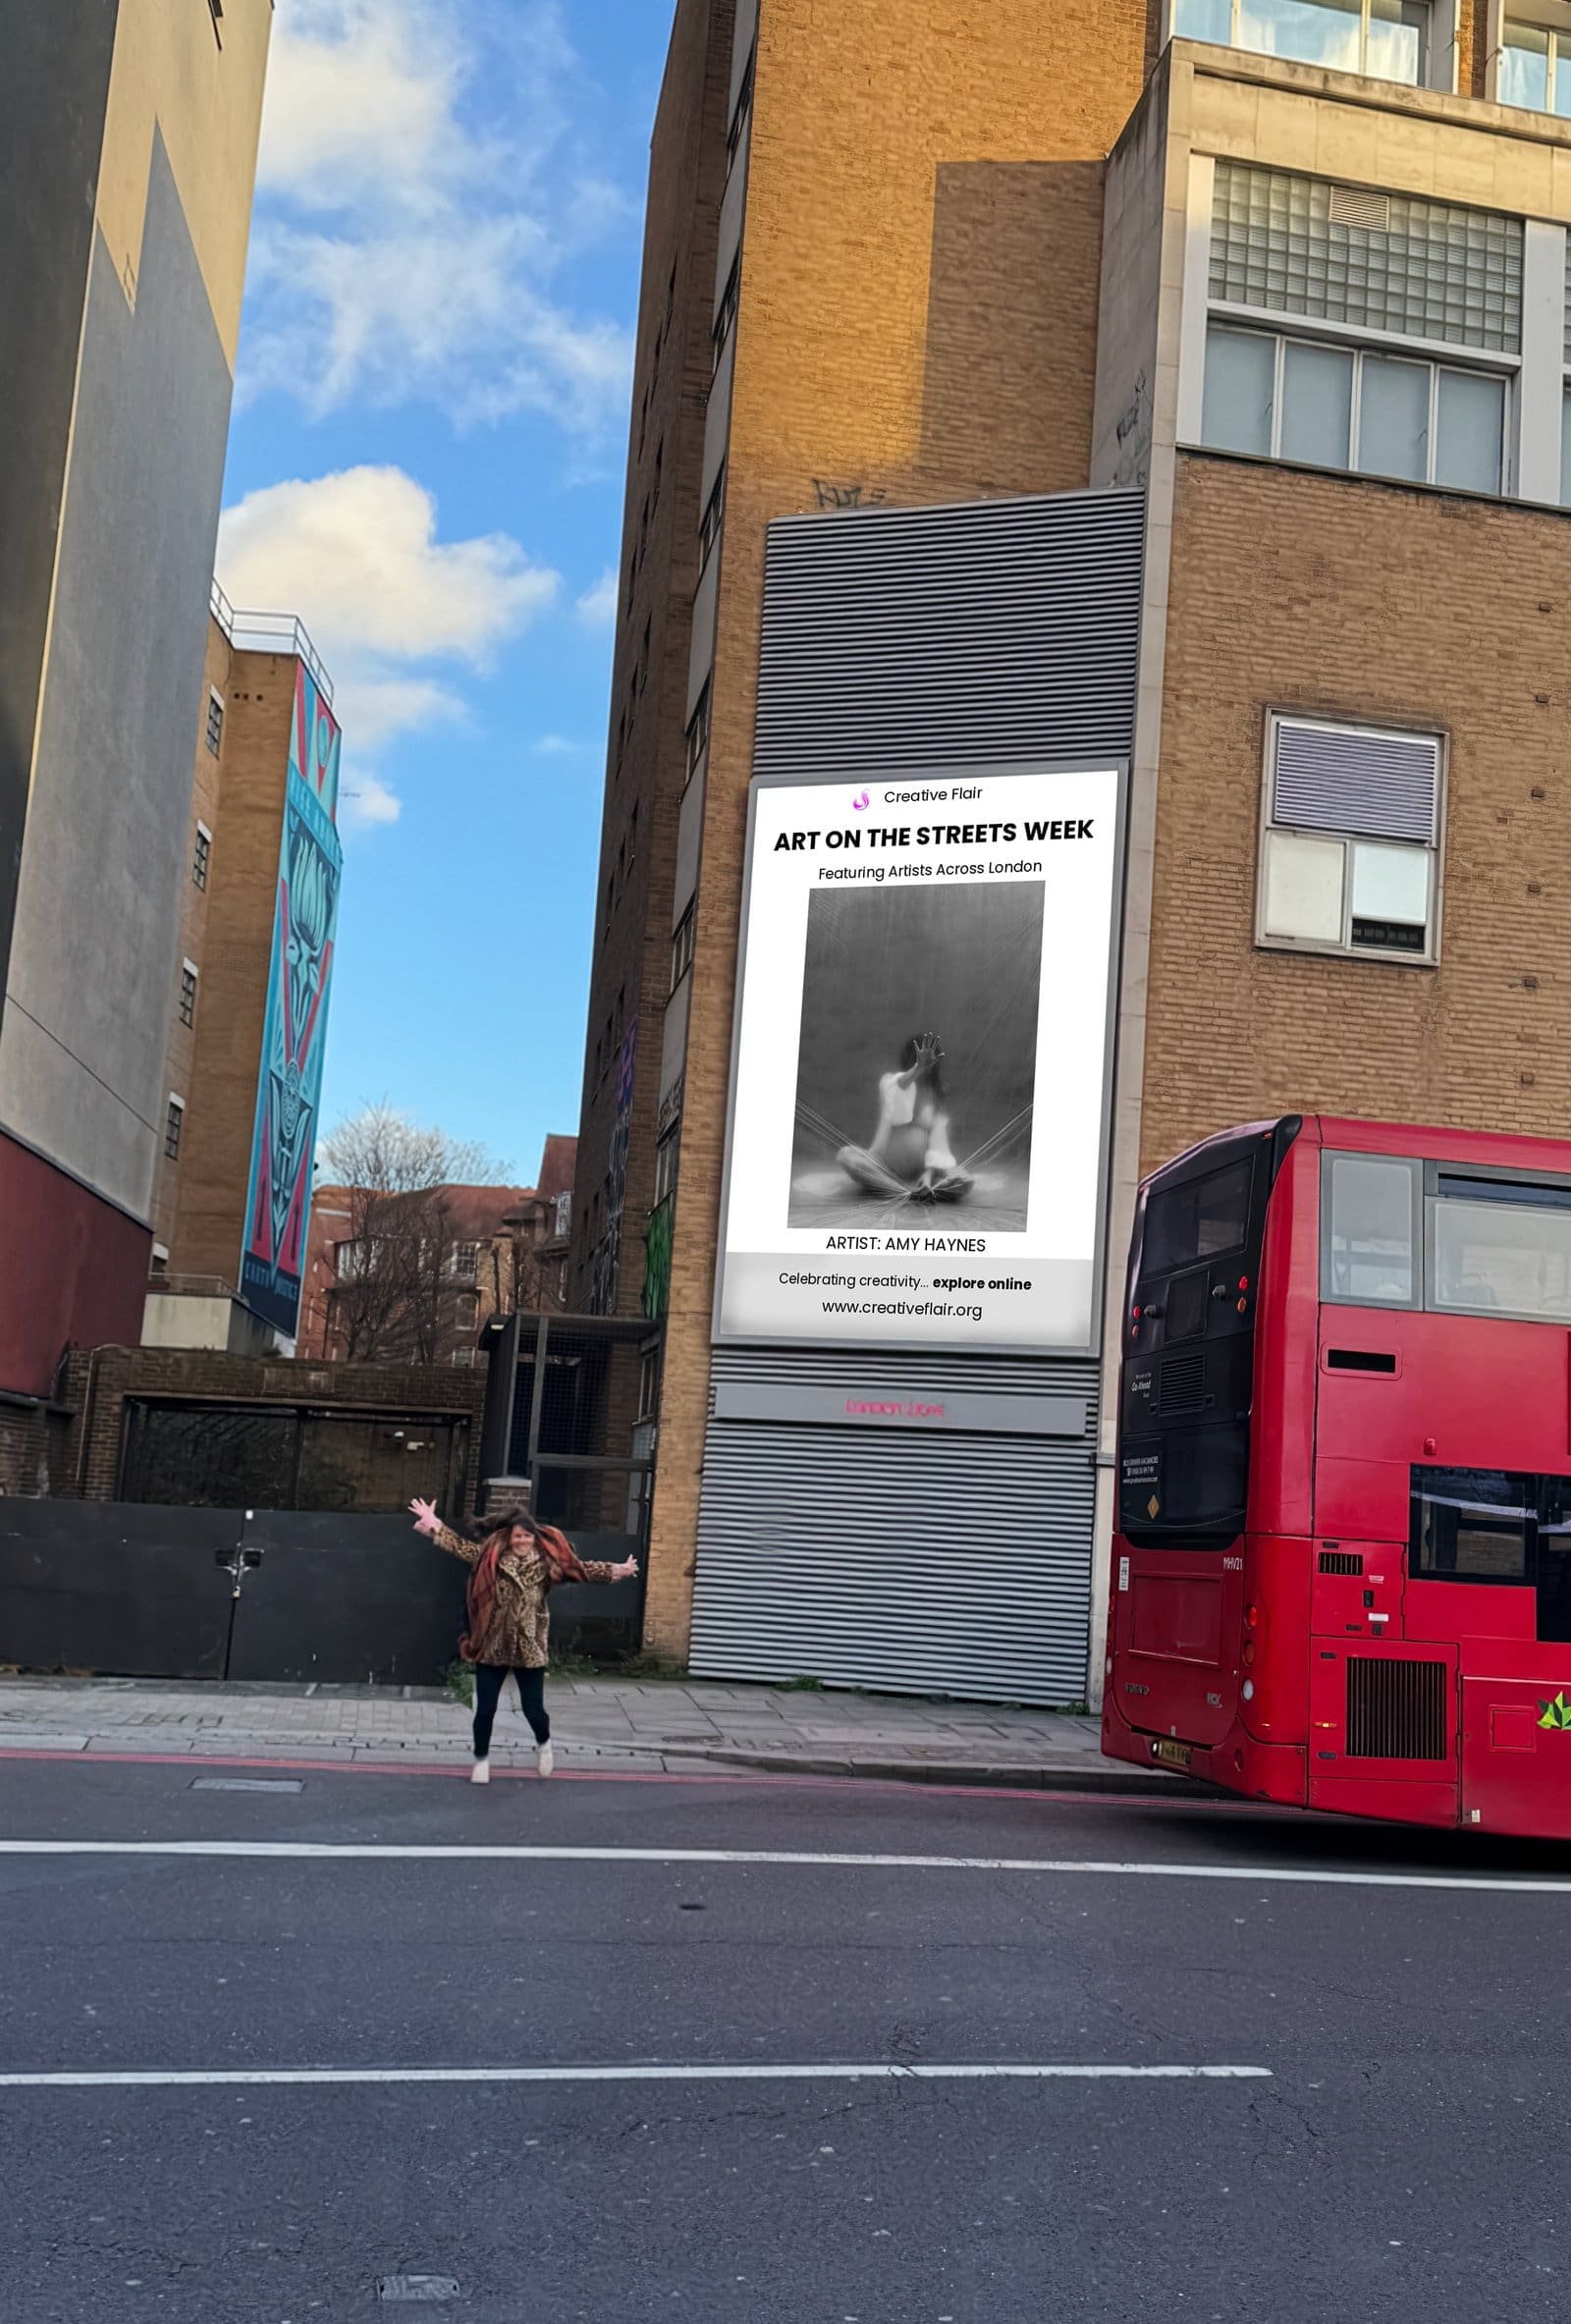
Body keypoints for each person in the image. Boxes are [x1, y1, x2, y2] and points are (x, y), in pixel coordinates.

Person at [409, 1498, 637, 1783]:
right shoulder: (491, 1559)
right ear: (509, 1537)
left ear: (534, 1538)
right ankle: (481, 1761)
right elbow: (462, 1547)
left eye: (527, 1536)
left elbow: (581, 1569)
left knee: (533, 1710)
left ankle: (544, 1745)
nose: (522, 1541)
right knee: (485, 1710)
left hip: (529, 1648)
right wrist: (433, 1524)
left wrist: (618, 1570)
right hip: (492, 1645)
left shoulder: (547, 1566)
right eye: (518, 1536)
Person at [837, 1031, 974, 1204]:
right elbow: (900, 1088)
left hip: (923, 1171)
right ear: (910, 1059)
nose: (926, 1062)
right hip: (886, 1167)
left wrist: (928, 1175)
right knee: (846, 1156)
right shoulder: (889, 1082)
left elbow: (938, 1139)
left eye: (929, 1059)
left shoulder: (937, 1093)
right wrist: (918, 1068)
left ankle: (925, 1188)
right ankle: (901, 1192)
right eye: (919, 1058)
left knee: (963, 1180)